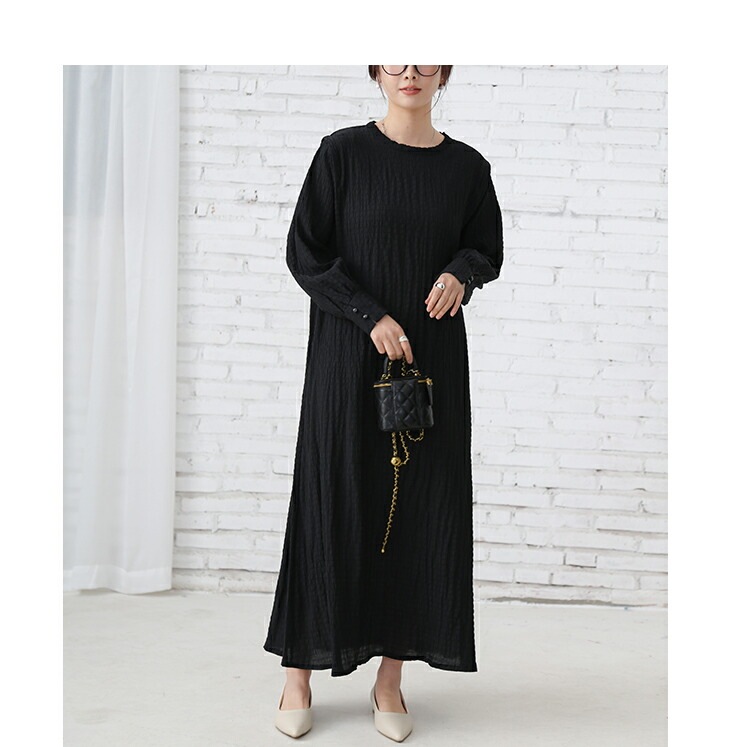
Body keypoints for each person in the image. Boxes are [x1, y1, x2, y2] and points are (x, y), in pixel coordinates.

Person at [263, 65, 504, 741]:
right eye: (395, 58)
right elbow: (306, 253)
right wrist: (367, 314)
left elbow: (486, 249)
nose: (410, 72)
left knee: (417, 511)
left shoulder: (467, 169)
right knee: (329, 500)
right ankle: (298, 673)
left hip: (428, 363)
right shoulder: (341, 154)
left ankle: (391, 679)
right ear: (376, 67)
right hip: (347, 357)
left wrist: (462, 271)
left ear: (444, 70)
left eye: (425, 59)